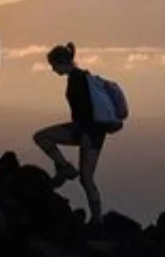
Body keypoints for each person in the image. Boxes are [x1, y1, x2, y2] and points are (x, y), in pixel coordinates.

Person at [32, 42, 109, 225]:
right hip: (95, 132)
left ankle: (64, 167)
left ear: (60, 63)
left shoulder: (76, 80)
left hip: (85, 131)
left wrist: (84, 135)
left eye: (53, 66)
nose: (53, 70)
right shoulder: (83, 77)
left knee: (41, 137)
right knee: (87, 179)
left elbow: (84, 109)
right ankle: (97, 220)